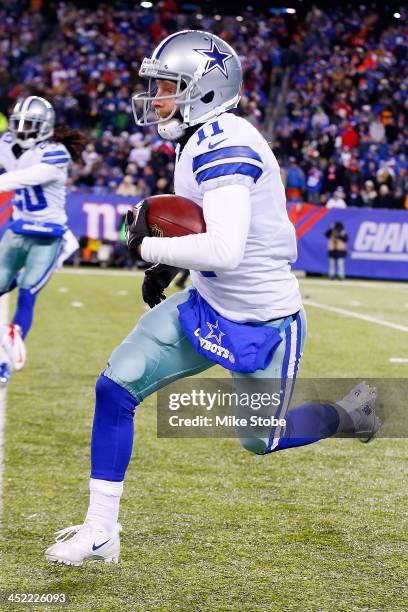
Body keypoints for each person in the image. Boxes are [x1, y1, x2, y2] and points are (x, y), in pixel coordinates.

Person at [45, 30, 380, 566]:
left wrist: (146, 247)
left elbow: (225, 248)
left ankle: (350, 414)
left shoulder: (229, 144)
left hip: (262, 321)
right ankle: (101, 531)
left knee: (260, 441)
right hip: (205, 303)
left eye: (166, 86)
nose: (154, 98)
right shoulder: (194, 139)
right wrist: (168, 264)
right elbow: (204, 231)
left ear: (204, 89)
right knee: (115, 387)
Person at [0, 96, 86, 385]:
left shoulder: (55, 152)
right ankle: (6, 347)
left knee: (27, 293)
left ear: (45, 127)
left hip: (47, 236)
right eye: (19, 124)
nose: (23, 131)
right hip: (18, 231)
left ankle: (6, 354)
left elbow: (23, 178)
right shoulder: (7, 143)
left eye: (30, 125)